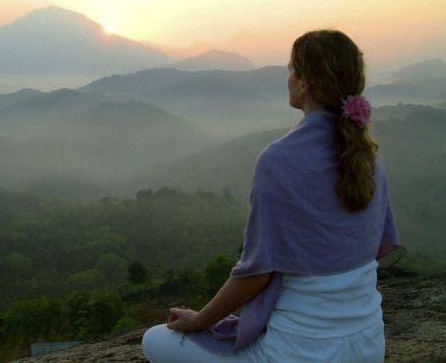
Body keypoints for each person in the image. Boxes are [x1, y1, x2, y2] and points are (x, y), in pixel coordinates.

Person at [141, 30, 400, 363]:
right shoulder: (368, 158)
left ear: (305, 83)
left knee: (155, 340)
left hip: (301, 352)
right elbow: (372, 247)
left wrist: (200, 319)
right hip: (369, 344)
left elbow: (256, 274)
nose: (288, 78)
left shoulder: (279, 160)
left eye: (291, 70)